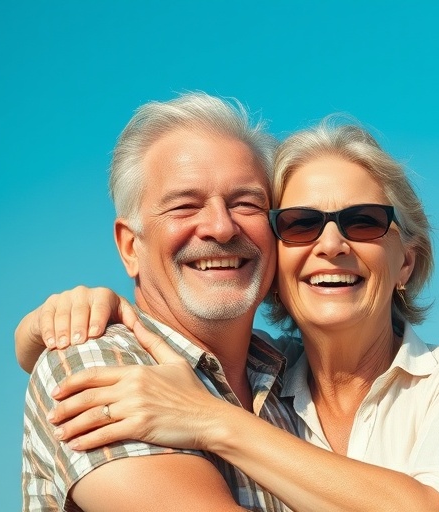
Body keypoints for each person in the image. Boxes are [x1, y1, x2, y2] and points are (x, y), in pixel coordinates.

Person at [17, 117, 439, 511]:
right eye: (301, 224)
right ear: (130, 247)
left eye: (364, 222)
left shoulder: (268, 380)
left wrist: (210, 420)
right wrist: (45, 326)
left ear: (406, 263)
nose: (331, 245)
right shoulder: (103, 365)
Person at [18, 92, 298, 511]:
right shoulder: (96, 364)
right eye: (185, 206)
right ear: (130, 247)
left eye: (246, 203)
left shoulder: (292, 377)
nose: (221, 227)